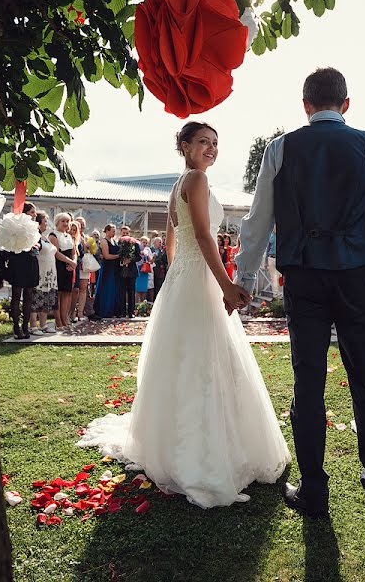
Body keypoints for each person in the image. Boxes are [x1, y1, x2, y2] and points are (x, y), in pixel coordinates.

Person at [77, 121, 290, 508]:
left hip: (186, 279)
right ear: (185, 145)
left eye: (215, 143)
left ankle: (173, 446)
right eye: (204, 142)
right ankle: (202, 454)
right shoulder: (197, 180)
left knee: (186, 361)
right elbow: (206, 237)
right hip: (200, 279)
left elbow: (175, 241)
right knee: (205, 360)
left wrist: (179, 275)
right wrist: (225, 285)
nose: (211, 148)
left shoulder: (179, 185)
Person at [235, 67, 365, 517]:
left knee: (308, 382)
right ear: (346, 105)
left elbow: (258, 222)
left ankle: (314, 489)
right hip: (355, 275)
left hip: (305, 277)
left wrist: (245, 279)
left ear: (306, 105)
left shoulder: (280, 148)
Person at [0, 202, 40, 340]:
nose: (35, 215)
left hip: (31, 263)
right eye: (32, 212)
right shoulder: (13, 226)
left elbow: (39, 243)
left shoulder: (34, 228)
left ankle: (25, 326)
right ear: (25, 213)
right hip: (18, 264)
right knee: (16, 295)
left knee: (29, 296)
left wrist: (36, 246)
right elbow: (4, 249)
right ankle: (16, 327)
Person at [29, 211, 58, 334]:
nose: (47, 223)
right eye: (45, 221)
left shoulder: (45, 237)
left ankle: (43, 324)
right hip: (40, 271)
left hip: (50, 272)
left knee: (47, 299)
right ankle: (33, 326)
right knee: (37, 299)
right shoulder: (35, 236)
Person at [49, 212, 78, 329]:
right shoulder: (53, 235)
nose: (66, 224)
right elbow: (56, 253)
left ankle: (65, 318)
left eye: (67, 221)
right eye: (63, 221)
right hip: (58, 266)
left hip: (69, 267)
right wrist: (70, 262)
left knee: (67, 293)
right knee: (58, 293)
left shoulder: (69, 236)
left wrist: (74, 262)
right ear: (57, 222)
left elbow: (74, 252)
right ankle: (58, 320)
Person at [93, 224, 121, 318]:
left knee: (114, 289)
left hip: (115, 268)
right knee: (107, 288)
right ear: (107, 231)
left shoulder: (114, 241)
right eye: (112, 231)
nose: (114, 233)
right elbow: (106, 256)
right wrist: (118, 256)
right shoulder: (104, 241)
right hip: (108, 268)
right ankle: (104, 310)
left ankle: (113, 310)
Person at [118, 225, 141, 317]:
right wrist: (122, 260)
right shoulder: (118, 243)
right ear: (120, 233)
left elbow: (139, 256)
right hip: (121, 271)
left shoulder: (135, 243)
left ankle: (131, 312)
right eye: (123, 233)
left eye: (127, 233)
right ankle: (122, 312)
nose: (125, 235)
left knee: (131, 292)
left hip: (132, 271)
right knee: (122, 292)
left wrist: (130, 260)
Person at [135, 236, 153, 305]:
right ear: (140, 242)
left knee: (143, 290)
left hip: (145, 271)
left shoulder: (147, 250)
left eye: (146, 243)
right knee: (137, 290)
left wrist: (154, 257)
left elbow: (150, 261)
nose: (145, 244)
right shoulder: (137, 249)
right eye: (143, 242)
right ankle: (136, 306)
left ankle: (142, 306)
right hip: (138, 270)